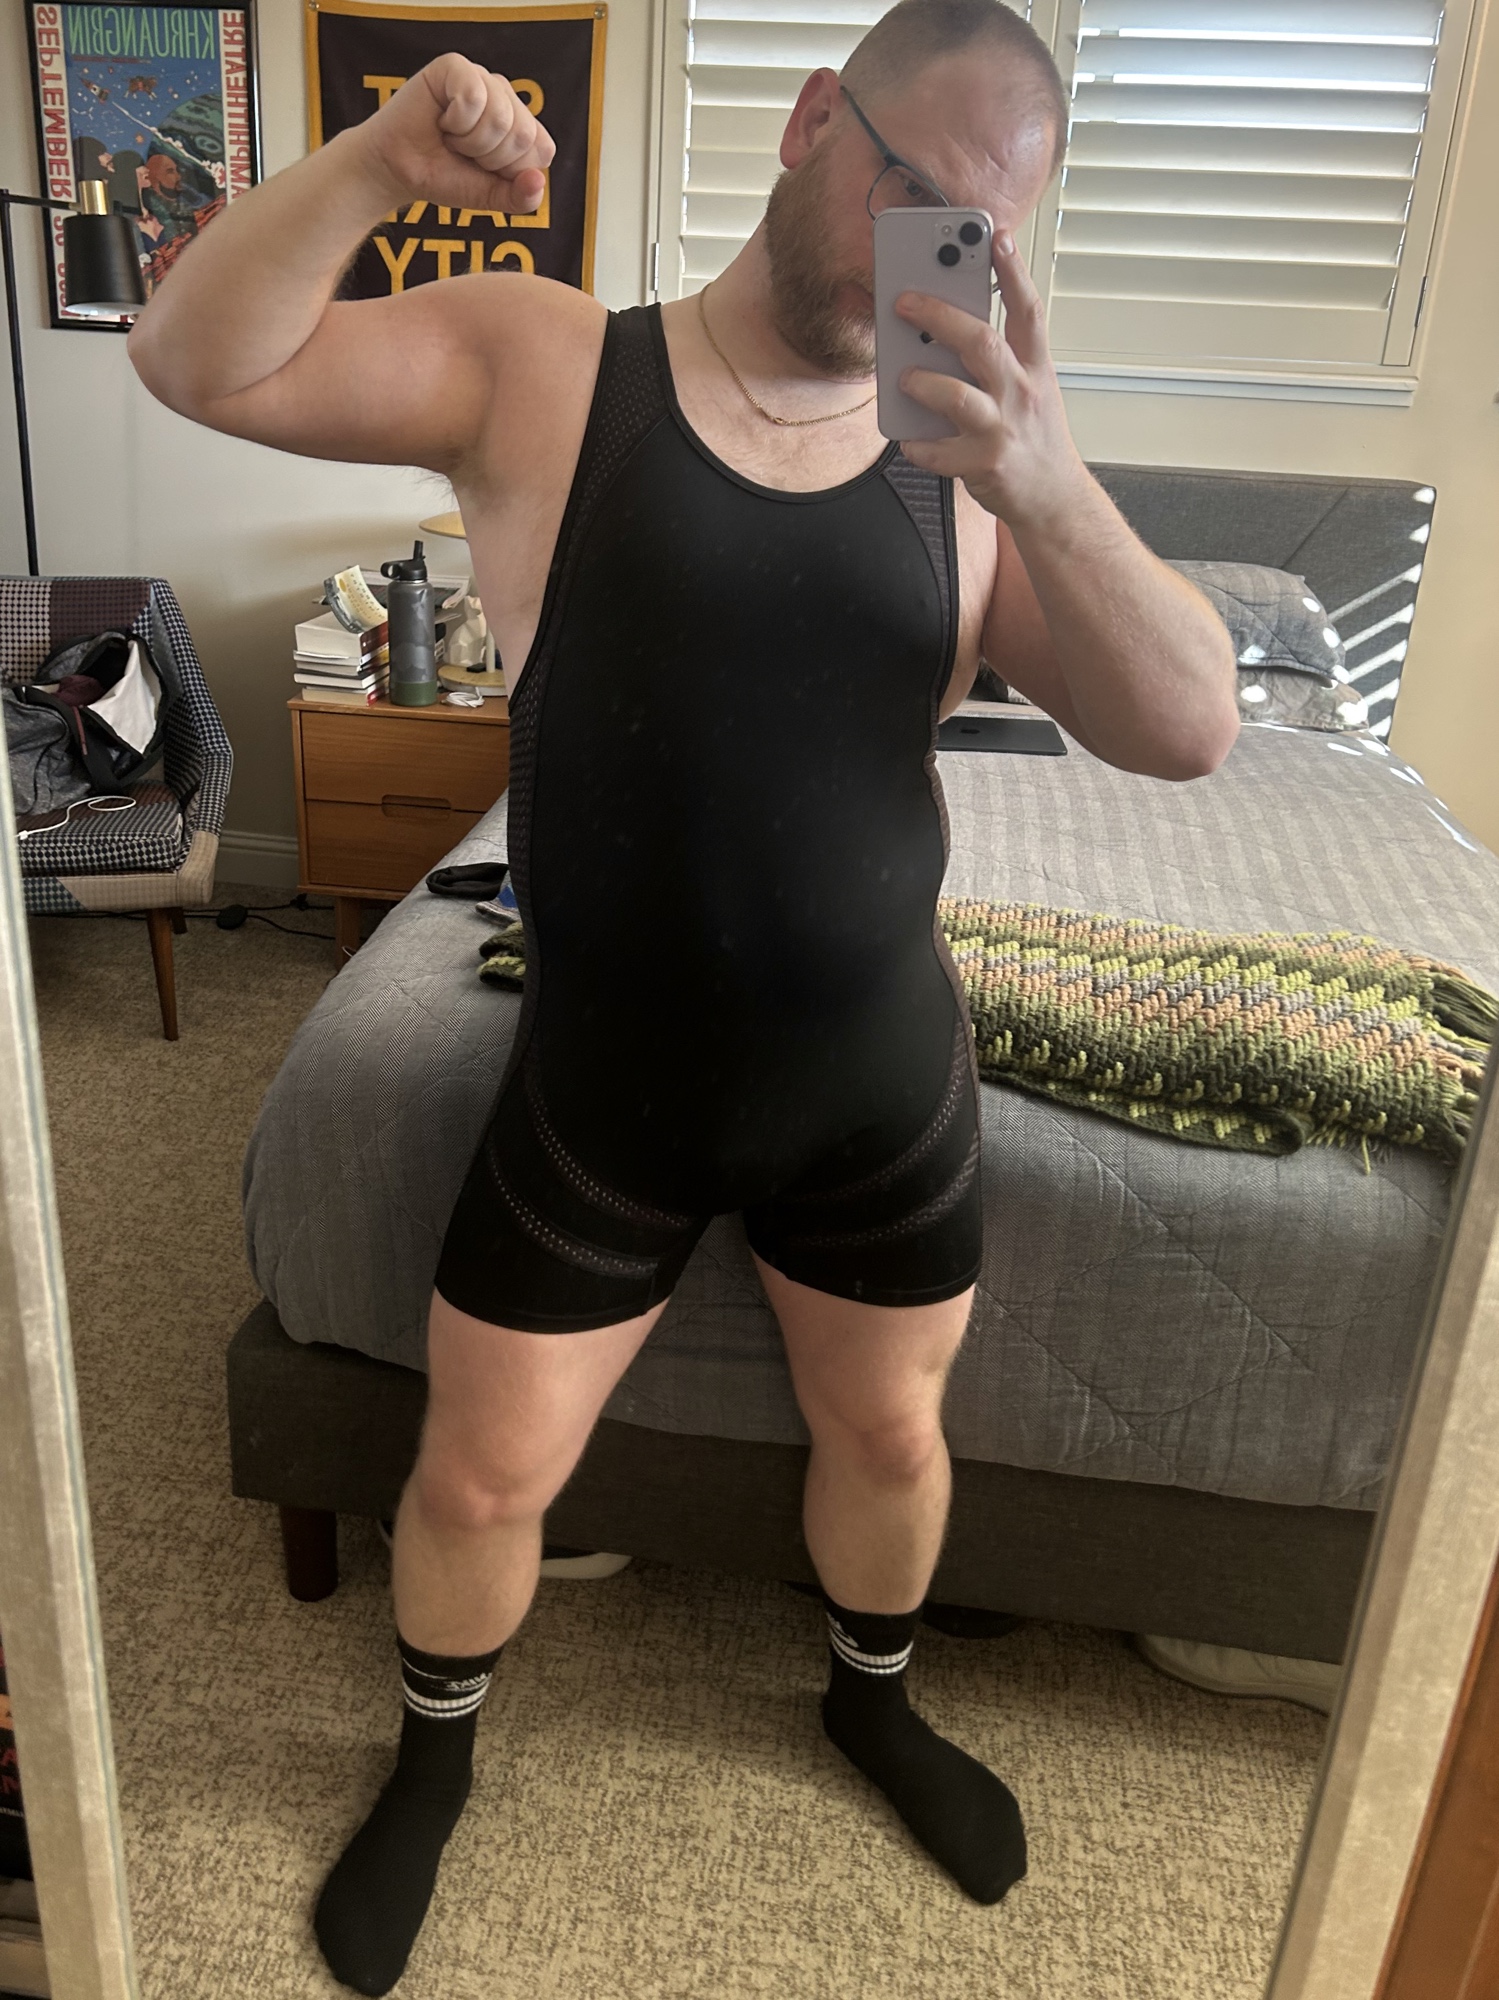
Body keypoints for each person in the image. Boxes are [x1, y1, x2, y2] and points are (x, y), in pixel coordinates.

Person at [128, 1, 1238, 1990]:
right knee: (481, 1473)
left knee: (891, 1439)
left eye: (983, 233)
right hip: (607, 1086)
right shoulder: (551, 366)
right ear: (816, 121)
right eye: (916, 192)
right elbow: (190, 358)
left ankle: (873, 1699)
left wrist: (1054, 480)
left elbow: (1190, 730)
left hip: (876, 1084)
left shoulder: (976, 468)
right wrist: (376, 163)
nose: (933, 258)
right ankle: (433, 1759)